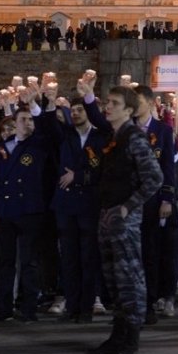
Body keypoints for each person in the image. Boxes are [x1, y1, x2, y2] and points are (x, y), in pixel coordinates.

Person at [89, 84, 163, 354]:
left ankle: (130, 344)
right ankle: (117, 336)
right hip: (108, 217)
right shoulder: (115, 137)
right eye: (107, 101)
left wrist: (128, 206)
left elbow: (154, 178)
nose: (107, 106)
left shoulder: (134, 138)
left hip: (124, 221)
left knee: (129, 281)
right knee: (114, 281)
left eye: (114, 103)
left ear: (129, 111)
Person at [0, 90, 56, 323]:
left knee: (29, 262)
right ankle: (5, 308)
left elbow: (51, 130)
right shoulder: (2, 147)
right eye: (23, 119)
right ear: (14, 123)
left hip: (30, 210)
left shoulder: (40, 144)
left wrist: (35, 106)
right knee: (6, 262)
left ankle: (28, 308)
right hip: (6, 212)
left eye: (30, 119)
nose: (27, 123)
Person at [47, 94, 108, 324]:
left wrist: (79, 176)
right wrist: (49, 103)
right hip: (66, 206)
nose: (75, 114)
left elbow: (104, 172)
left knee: (88, 258)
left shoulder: (101, 137)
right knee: (69, 258)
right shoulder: (65, 135)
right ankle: (71, 306)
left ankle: (86, 307)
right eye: (72, 110)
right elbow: (49, 124)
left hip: (90, 205)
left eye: (80, 110)